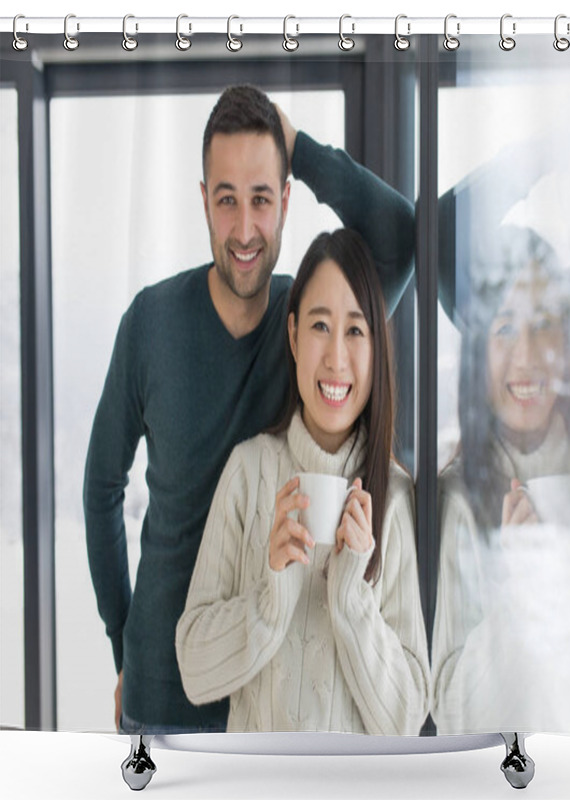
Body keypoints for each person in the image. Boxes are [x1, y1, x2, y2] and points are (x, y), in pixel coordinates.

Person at [83, 85, 415, 735]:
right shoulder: (151, 321)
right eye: (226, 199)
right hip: (163, 695)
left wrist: (298, 148)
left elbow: (400, 242)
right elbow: (101, 491)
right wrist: (125, 642)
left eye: (261, 198)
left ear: (286, 201)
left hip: (270, 697)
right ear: (202, 198)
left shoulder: (306, 326)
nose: (243, 230)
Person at [175, 229, 430, 734]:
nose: (336, 357)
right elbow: (194, 670)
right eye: (320, 325)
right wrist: (271, 596)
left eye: (356, 331)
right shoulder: (248, 473)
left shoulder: (395, 496)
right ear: (293, 336)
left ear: (377, 347)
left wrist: (350, 598)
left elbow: (406, 719)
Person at [431, 225, 570, 735]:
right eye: (503, 328)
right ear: (477, 354)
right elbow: (454, 712)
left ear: (567, 346)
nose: (525, 354)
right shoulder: (455, 498)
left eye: (543, 324)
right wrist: (517, 585)